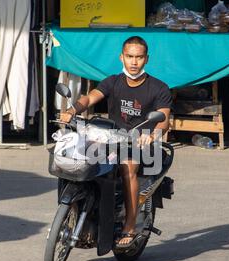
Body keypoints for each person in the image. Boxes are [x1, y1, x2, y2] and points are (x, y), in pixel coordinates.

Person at [60, 36, 172, 247]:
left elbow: (163, 119)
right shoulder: (112, 81)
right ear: (121, 57)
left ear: (146, 59)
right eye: (129, 56)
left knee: (127, 166)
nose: (134, 62)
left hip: (142, 145)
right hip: (111, 140)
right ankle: (74, 215)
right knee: (76, 158)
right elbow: (90, 98)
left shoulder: (159, 88)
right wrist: (72, 110)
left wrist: (151, 134)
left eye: (139, 57)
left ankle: (130, 224)